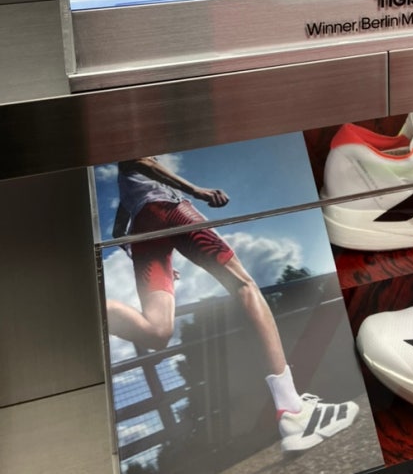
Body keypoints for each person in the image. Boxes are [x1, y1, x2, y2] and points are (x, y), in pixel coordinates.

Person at [107, 156, 359, 454]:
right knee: (244, 285)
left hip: (144, 229)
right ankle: (292, 410)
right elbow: (144, 163)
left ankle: (97, 311)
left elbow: (118, 231)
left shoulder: (124, 179)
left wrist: (148, 254)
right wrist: (197, 191)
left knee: (158, 331)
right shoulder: (131, 140)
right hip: (169, 208)